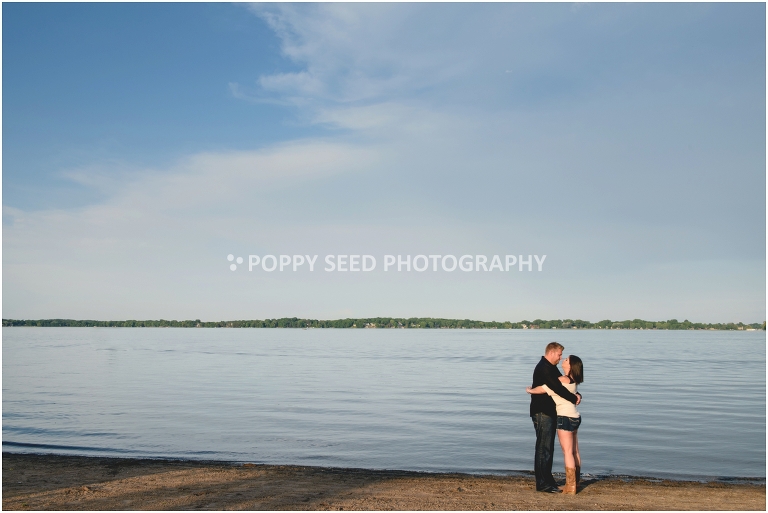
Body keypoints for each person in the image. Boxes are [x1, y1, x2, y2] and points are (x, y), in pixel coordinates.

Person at [528, 342, 580, 493]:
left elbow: (564, 386)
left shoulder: (551, 367)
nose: (560, 357)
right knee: (543, 448)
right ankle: (543, 484)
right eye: (559, 354)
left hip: (549, 412)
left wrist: (577, 395)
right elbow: (556, 387)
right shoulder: (544, 368)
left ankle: (548, 480)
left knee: (547, 448)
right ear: (551, 352)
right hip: (542, 412)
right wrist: (574, 398)